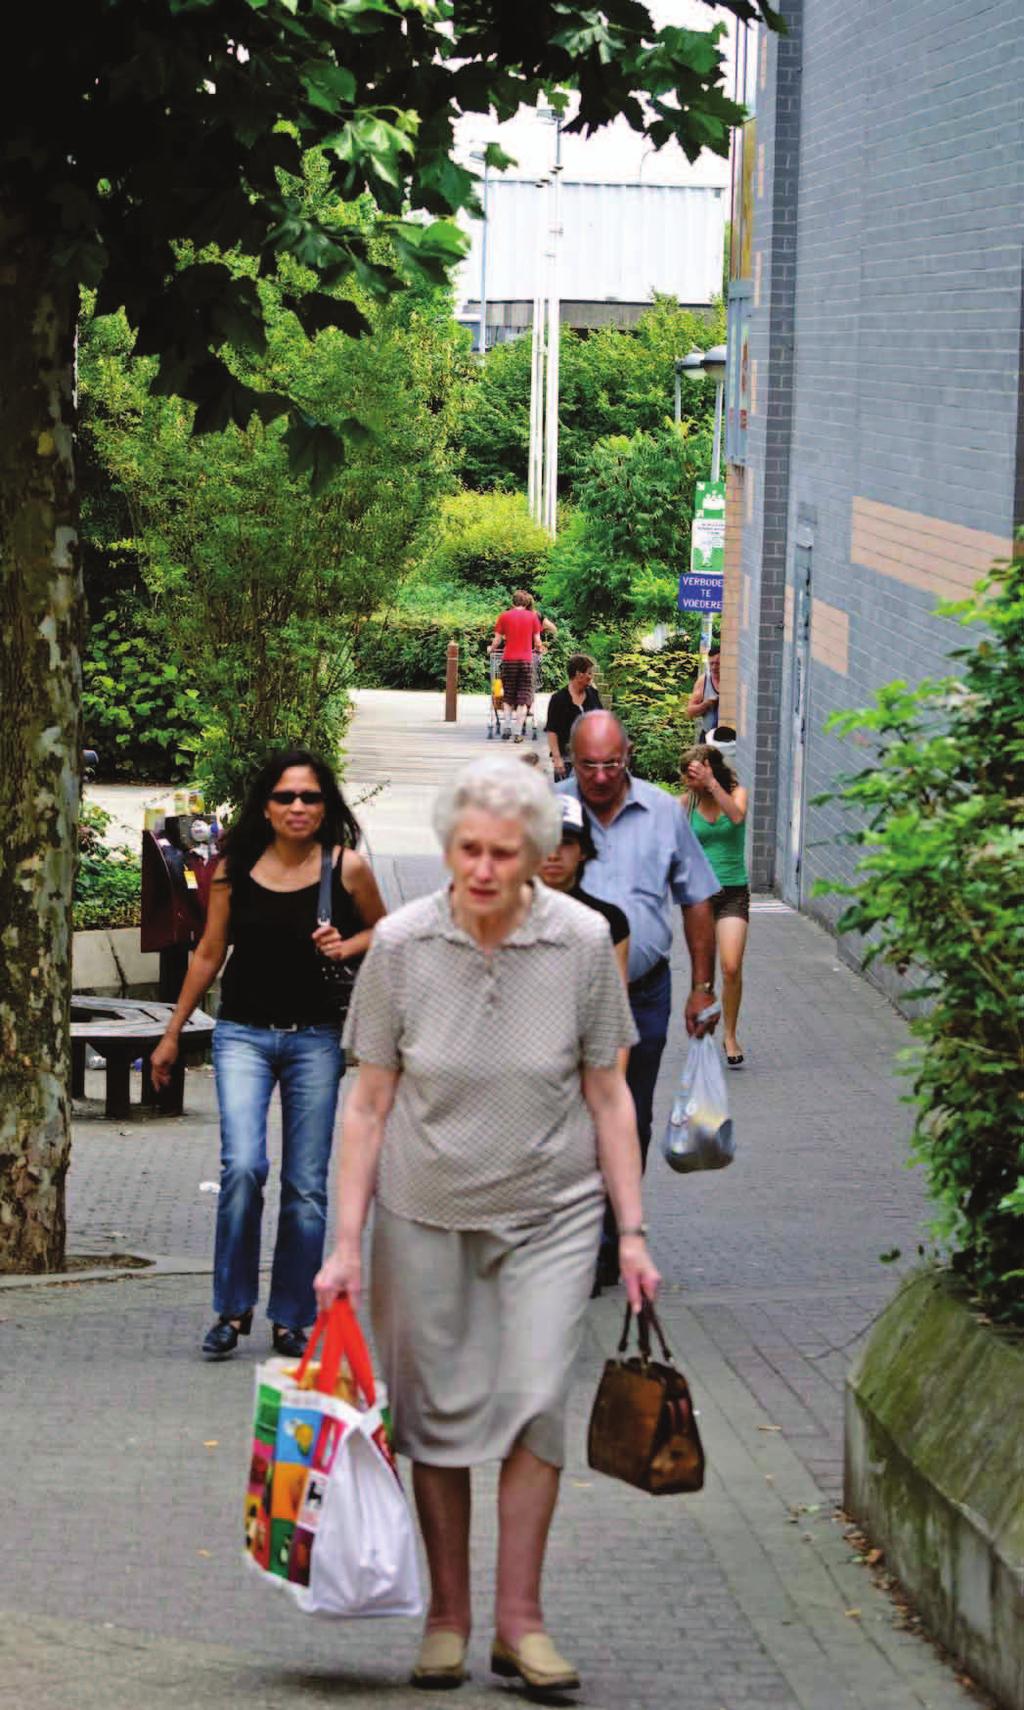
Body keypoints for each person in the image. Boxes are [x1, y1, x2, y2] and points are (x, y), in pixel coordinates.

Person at [314, 756, 655, 1695]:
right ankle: (446, 1620)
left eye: (506, 852)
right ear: (447, 847)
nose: (485, 869)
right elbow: (368, 1104)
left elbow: (609, 1095)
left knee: (534, 1406)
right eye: (469, 849)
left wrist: (630, 1232)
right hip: (425, 1213)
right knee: (437, 1419)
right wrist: (345, 1244)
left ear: (539, 852)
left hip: (552, 1213)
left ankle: (522, 1623)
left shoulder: (583, 942)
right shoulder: (402, 946)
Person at [149, 750, 386, 1360]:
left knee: (306, 1185)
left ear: (326, 805)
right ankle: (231, 1309)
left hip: (315, 1039)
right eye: (286, 797)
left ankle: (290, 1317)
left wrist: (347, 943)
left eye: (310, 797)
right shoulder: (233, 868)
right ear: (266, 806)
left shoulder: (347, 868)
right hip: (243, 1036)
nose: (299, 808)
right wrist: (174, 1031)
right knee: (245, 1168)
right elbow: (208, 951)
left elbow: (388, 934)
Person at [558, 711, 719, 1291]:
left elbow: (698, 898)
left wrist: (703, 987)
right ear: (570, 759)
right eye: (587, 765)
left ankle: (608, 1238)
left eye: (611, 763)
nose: (600, 776)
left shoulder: (661, 814)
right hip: (563, 999)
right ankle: (573, 1235)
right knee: (569, 1119)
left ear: (628, 753)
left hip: (641, 994)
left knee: (629, 1116)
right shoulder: (550, 813)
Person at [682, 736, 749, 1068]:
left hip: (733, 891)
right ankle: (704, 1033)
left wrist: (711, 784)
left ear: (710, 772)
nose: (687, 783)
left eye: (692, 776)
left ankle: (731, 1034)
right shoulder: (687, 804)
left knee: (731, 967)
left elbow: (736, 817)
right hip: (699, 896)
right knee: (704, 973)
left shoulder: (736, 794)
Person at [539, 796, 630, 986]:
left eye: (566, 842)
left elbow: (614, 1001)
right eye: (546, 840)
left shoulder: (609, 920)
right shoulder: (504, 917)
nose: (554, 854)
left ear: (583, 851)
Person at [493, 590, 541, 742]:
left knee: (508, 695)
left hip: (508, 661)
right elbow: (538, 641)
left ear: (512, 602)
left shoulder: (504, 616)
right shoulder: (533, 617)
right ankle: (518, 732)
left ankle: (507, 727)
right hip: (526, 661)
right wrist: (539, 648)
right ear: (526, 603)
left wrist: (491, 648)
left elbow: (497, 640)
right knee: (523, 697)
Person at [545, 654, 602, 781]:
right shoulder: (558, 699)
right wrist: (557, 758)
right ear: (578, 674)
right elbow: (552, 731)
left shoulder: (593, 695)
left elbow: (602, 722)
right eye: (589, 673)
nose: (591, 677)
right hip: (567, 760)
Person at [686, 643, 721, 734]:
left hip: (730, 738)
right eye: (711, 663)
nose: (714, 667)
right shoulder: (703, 680)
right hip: (708, 735)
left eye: (718, 664)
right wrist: (705, 705)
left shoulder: (734, 680)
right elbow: (690, 712)